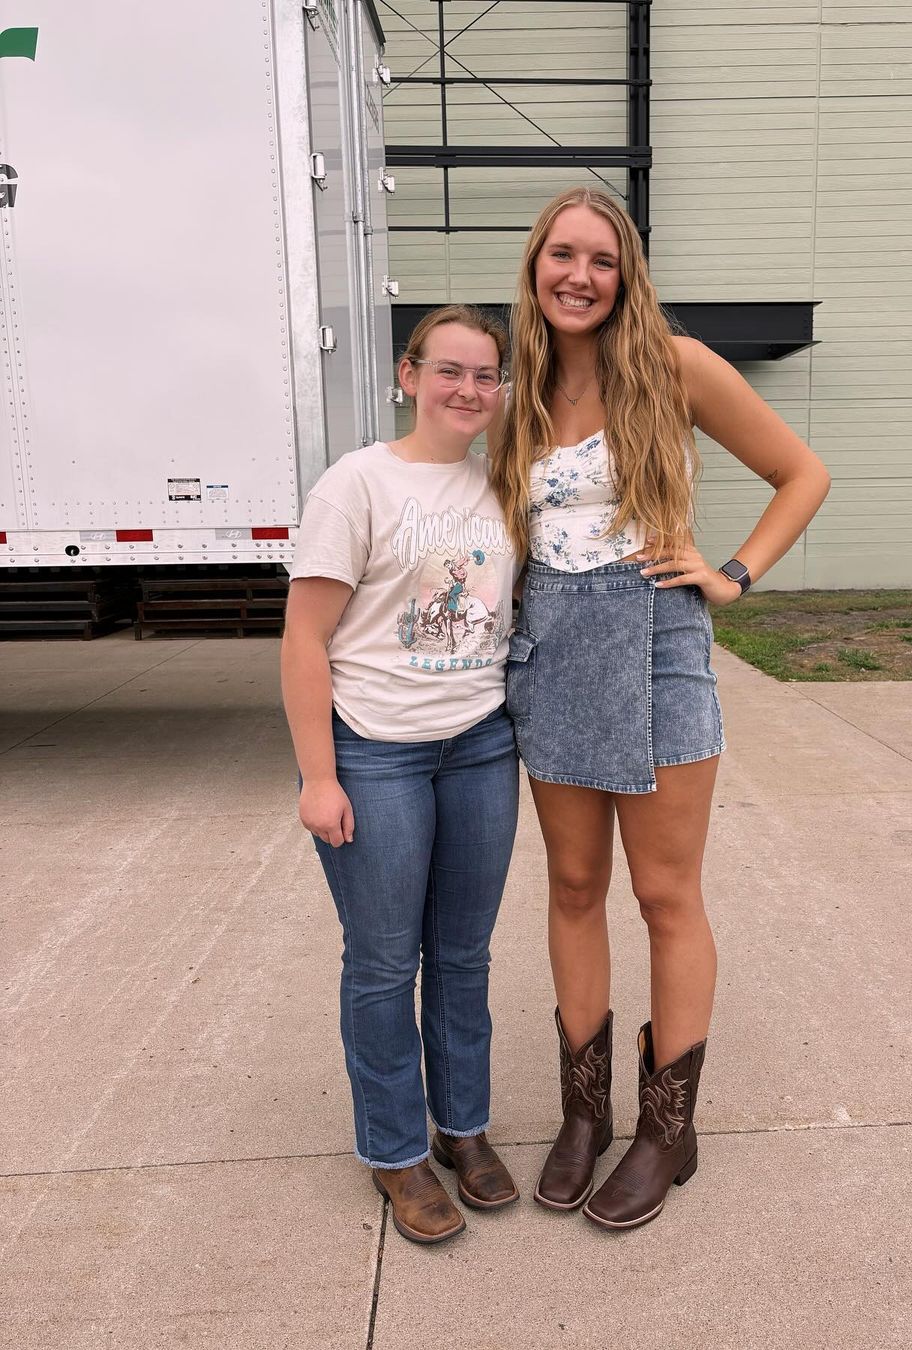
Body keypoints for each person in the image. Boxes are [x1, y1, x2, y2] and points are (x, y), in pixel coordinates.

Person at [490, 187, 831, 1231]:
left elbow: (801, 473)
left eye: (602, 259)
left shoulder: (673, 365)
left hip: (657, 650)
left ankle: (666, 1129)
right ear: (536, 267)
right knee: (573, 887)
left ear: (627, 274)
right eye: (563, 255)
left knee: (665, 894)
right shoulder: (517, 386)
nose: (580, 275)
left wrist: (733, 575)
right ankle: (583, 1115)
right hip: (551, 655)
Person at [281, 305, 521, 1246]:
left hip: (480, 746)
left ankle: (463, 1127)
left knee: (464, 955)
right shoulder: (357, 484)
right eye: (449, 370)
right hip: (375, 750)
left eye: (485, 374)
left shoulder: (504, 487)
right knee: (384, 962)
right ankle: (395, 1150)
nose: (468, 388)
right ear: (408, 376)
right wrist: (319, 776)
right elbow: (304, 637)